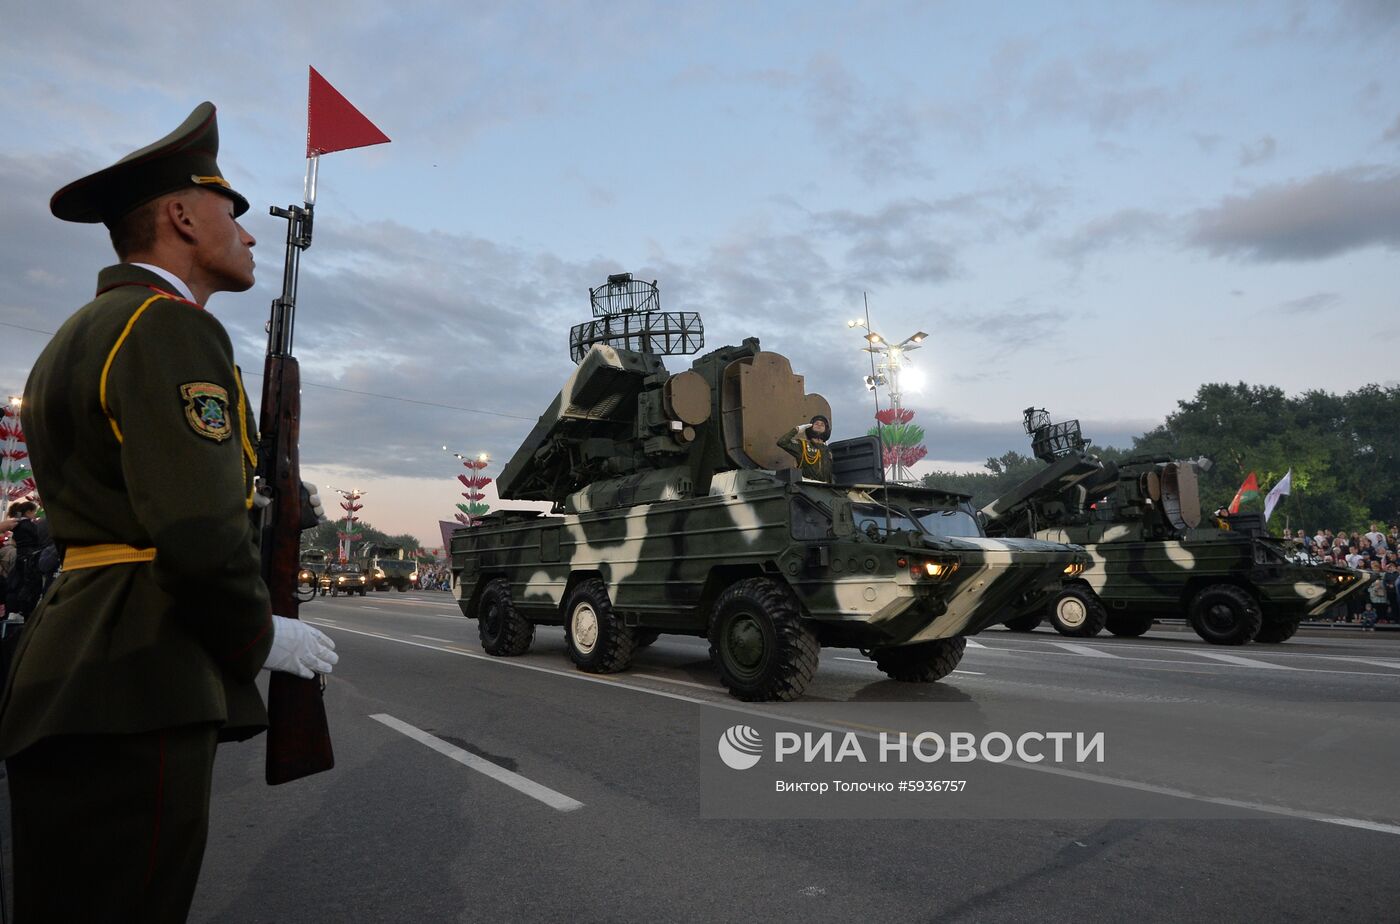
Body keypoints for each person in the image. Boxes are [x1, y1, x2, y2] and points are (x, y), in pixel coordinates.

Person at [0, 102, 339, 922]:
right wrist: (262, 635)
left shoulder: (81, 332)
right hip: (139, 675)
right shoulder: (170, 331)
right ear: (183, 217)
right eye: (233, 214)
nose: (251, 236)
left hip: (75, 668)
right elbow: (196, 531)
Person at [777, 414, 834, 481]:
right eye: (816, 423)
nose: (819, 425)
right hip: (807, 485)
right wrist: (796, 430)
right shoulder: (802, 445)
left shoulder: (828, 451)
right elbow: (782, 442)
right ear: (810, 427)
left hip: (826, 487)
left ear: (826, 429)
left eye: (822, 424)